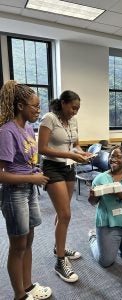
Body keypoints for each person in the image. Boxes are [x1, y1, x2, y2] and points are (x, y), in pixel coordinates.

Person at [0, 80, 52, 300]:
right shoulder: (7, 131)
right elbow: (1, 175)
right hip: (15, 193)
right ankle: (19, 295)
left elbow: (26, 161)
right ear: (20, 106)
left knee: (29, 240)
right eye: (35, 106)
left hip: (29, 190)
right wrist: (32, 178)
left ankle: (28, 286)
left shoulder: (29, 128)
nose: (38, 110)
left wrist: (35, 171)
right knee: (18, 245)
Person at [38, 90, 91, 283]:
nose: (75, 112)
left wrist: (83, 154)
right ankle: (60, 261)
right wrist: (70, 155)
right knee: (65, 214)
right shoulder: (49, 118)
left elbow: (75, 145)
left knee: (63, 213)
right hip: (52, 167)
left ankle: (58, 247)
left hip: (68, 168)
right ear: (62, 103)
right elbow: (41, 148)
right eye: (73, 107)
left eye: (77, 109)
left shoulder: (74, 121)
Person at [88, 146, 122, 267]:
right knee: (106, 262)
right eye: (112, 156)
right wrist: (92, 196)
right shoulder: (100, 179)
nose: (114, 159)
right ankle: (93, 239)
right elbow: (93, 203)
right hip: (107, 224)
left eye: (119, 157)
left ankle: (113, 243)